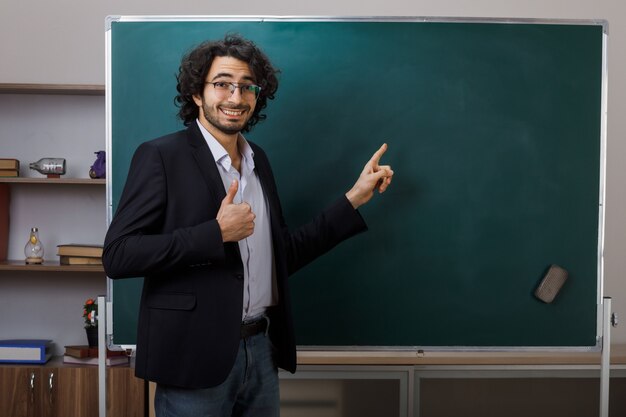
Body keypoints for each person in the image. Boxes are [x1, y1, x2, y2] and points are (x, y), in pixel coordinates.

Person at [103, 34, 394, 417]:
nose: (235, 97)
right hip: (194, 359)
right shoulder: (161, 157)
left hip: (259, 349)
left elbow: (281, 256)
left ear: (258, 97)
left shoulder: (259, 161)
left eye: (246, 87)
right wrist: (215, 233)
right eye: (222, 83)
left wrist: (353, 199)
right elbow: (118, 255)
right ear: (196, 93)